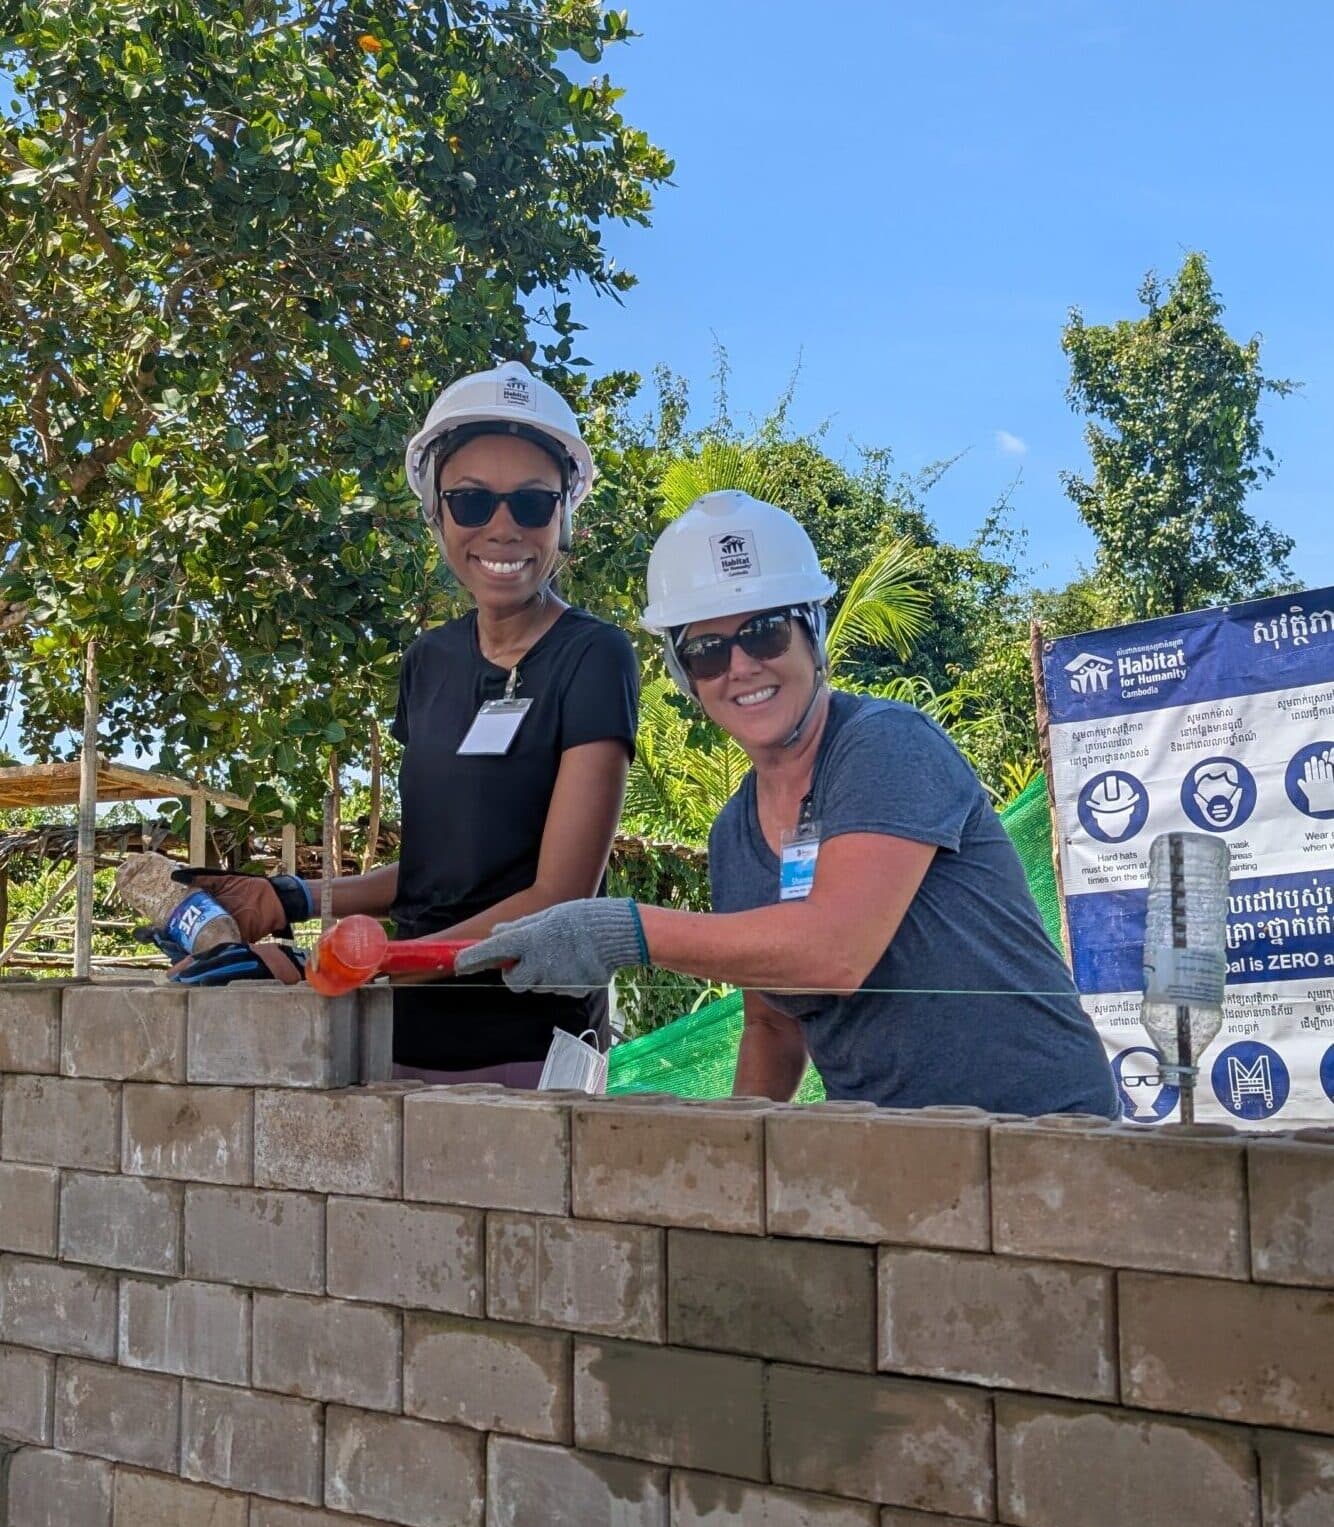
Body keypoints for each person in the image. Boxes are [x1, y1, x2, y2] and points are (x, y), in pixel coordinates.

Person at [458, 491, 1118, 1117]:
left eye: (766, 631)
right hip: (894, 1151)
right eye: (708, 650)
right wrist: (744, 1145)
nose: (740, 666)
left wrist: (620, 931)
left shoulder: (885, 745)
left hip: (1044, 1130)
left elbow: (836, 952)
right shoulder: (734, 835)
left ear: (813, 633)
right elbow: (774, 1024)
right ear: (688, 677)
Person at [174, 362, 639, 1086]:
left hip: (527, 1045)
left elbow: (559, 898)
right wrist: (297, 896)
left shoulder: (592, 656)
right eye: (472, 501)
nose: (502, 527)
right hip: (401, 1036)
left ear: (565, 514)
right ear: (437, 512)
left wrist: (381, 964)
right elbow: (433, 872)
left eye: (532, 503)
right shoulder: (430, 661)